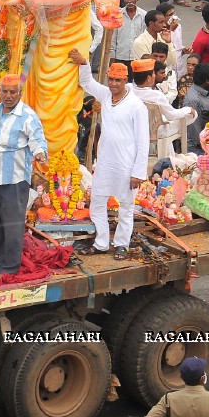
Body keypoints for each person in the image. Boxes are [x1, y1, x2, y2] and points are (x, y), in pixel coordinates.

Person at [70, 50, 148, 260]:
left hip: (126, 165)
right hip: (104, 162)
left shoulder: (136, 106)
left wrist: (138, 172)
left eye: (118, 80)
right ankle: (102, 242)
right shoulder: (105, 95)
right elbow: (86, 82)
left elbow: (143, 141)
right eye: (111, 79)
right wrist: (85, 62)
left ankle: (122, 243)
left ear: (126, 81)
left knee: (126, 206)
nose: (113, 84)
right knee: (97, 202)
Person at [0, 73, 48, 279]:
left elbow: (38, 139)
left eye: (12, 92)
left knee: (11, 224)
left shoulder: (27, 116)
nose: (8, 96)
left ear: (19, 93)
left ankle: (9, 266)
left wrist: (39, 153)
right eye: (5, 92)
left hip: (14, 179)